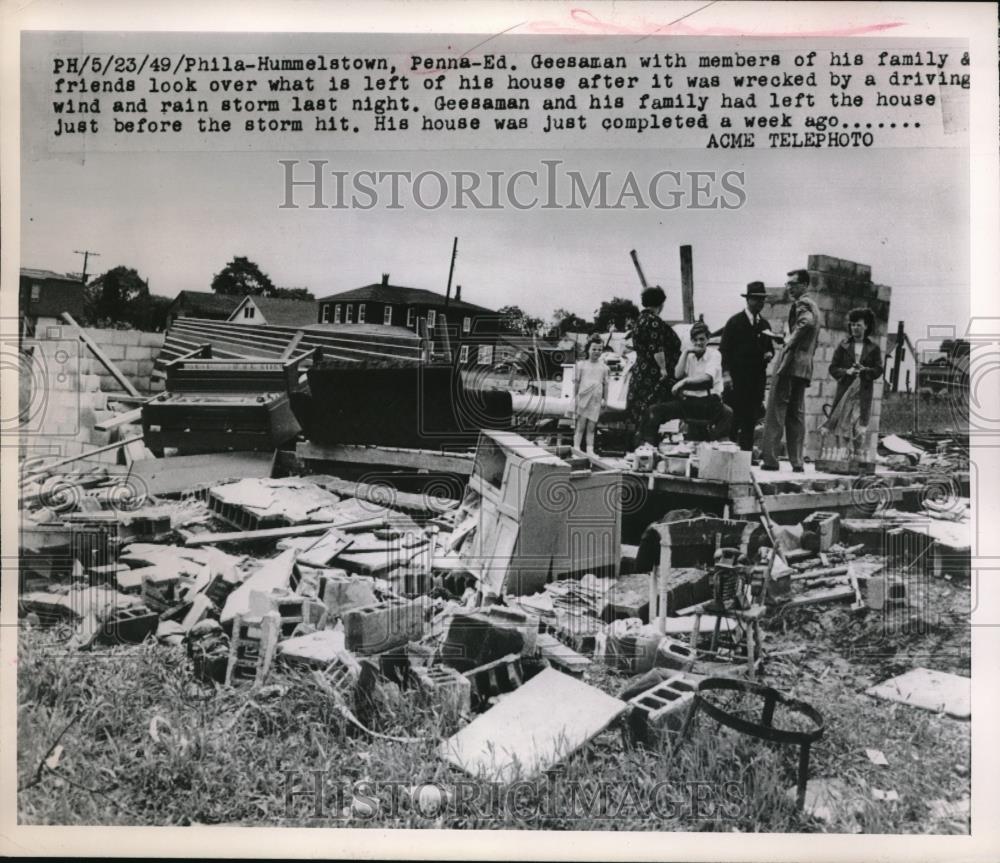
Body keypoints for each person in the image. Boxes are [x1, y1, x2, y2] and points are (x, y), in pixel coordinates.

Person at [760, 269, 821, 472]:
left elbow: (806, 323)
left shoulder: (802, 303)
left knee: (776, 411)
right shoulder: (814, 306)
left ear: (804, 285)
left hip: (790, 364)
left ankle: (770, 460)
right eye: (788, 284)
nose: (789, 287)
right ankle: (797, 461)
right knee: (796, 414)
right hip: (804, 367)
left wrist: (787, 342)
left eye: (793, 284)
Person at [637, 320, 733, 445]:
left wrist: (684, 382)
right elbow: (678, 374)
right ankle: (649, 448)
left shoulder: (714, 354)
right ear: (691, 341)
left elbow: (707, 379)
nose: (698, 343)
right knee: (654, 411)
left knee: (724, 418)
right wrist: (686, 353)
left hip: (708, 403)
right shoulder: (689, 355)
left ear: (708, 339)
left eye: (702, 339)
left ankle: (710, 447)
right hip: (689, 402)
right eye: (695, 340)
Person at [720, 281, 775, 454]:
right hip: (737, 381)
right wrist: (727, 375)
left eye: (763, 300)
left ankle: (745, 459)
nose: (760, 303)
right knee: (733, 419)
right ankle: (728, 456)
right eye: (757, 299)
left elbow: (770, 348)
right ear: (748, 300)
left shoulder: (765, 325)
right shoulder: (735, 322)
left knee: (750, 422)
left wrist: (769, 354)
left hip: (756, 381)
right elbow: (724, 351)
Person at [821, 307, 882, 460]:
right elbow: (833, 368)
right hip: (845, 394)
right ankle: (842, 459)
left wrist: (864, 370)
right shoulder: (843, 346)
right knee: (842, 426)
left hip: (862, 394)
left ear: (866, 326)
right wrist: (846, 372)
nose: (855, 328)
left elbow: (878, 370)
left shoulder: (873, 348)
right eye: (852, 324)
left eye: (858, 325)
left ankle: (857, 460)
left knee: (859, 428)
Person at [626, 286, 681, 443]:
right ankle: (647, 447)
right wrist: (663, 369)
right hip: (653, 375)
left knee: (640, 413)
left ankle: (639, 448)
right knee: (651, 412)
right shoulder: (654, 322)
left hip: (640, 372)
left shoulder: (639, 320)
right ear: (661, 304)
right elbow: (657, 348)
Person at [572, 335, 609, 454]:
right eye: (594, 349)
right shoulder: (581, 365)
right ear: (588, 349)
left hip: (596, 400)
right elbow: (576, 384)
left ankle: (590, 450)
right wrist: (575, 398)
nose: (597, 352)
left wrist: (605, 400)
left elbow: (606, 385)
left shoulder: (604, 367)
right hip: (583, 398)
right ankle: (576, 449)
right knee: (580, 426)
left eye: (599, 349)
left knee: (592, 427)